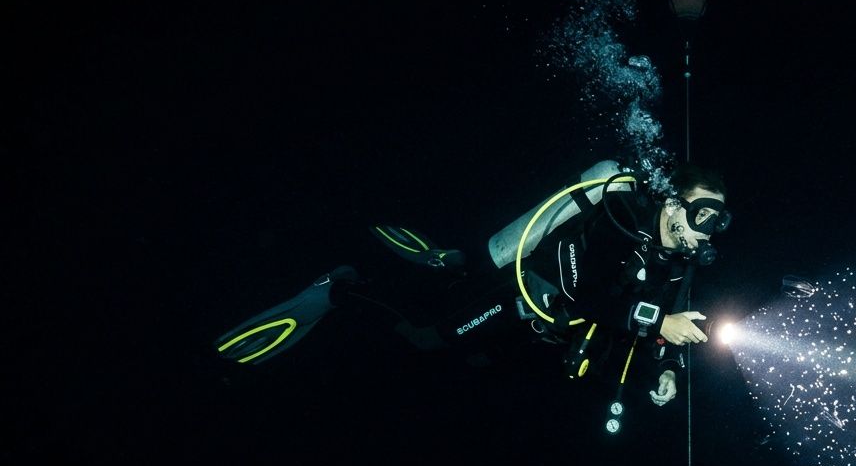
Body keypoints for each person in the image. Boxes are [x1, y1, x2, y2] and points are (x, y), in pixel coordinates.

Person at [214, 159, 730, 411]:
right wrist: (659, 320)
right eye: (703, 213)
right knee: (426, 337)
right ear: (672, 202)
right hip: (522, 294)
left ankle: (446, 262)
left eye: (718, 221)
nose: (706, 231)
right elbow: (587, 294)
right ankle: (342, 290)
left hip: (544, 335)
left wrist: (665, 370)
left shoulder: (676, 265)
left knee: (463, 346)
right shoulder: (617, 218)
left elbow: (664, 325)